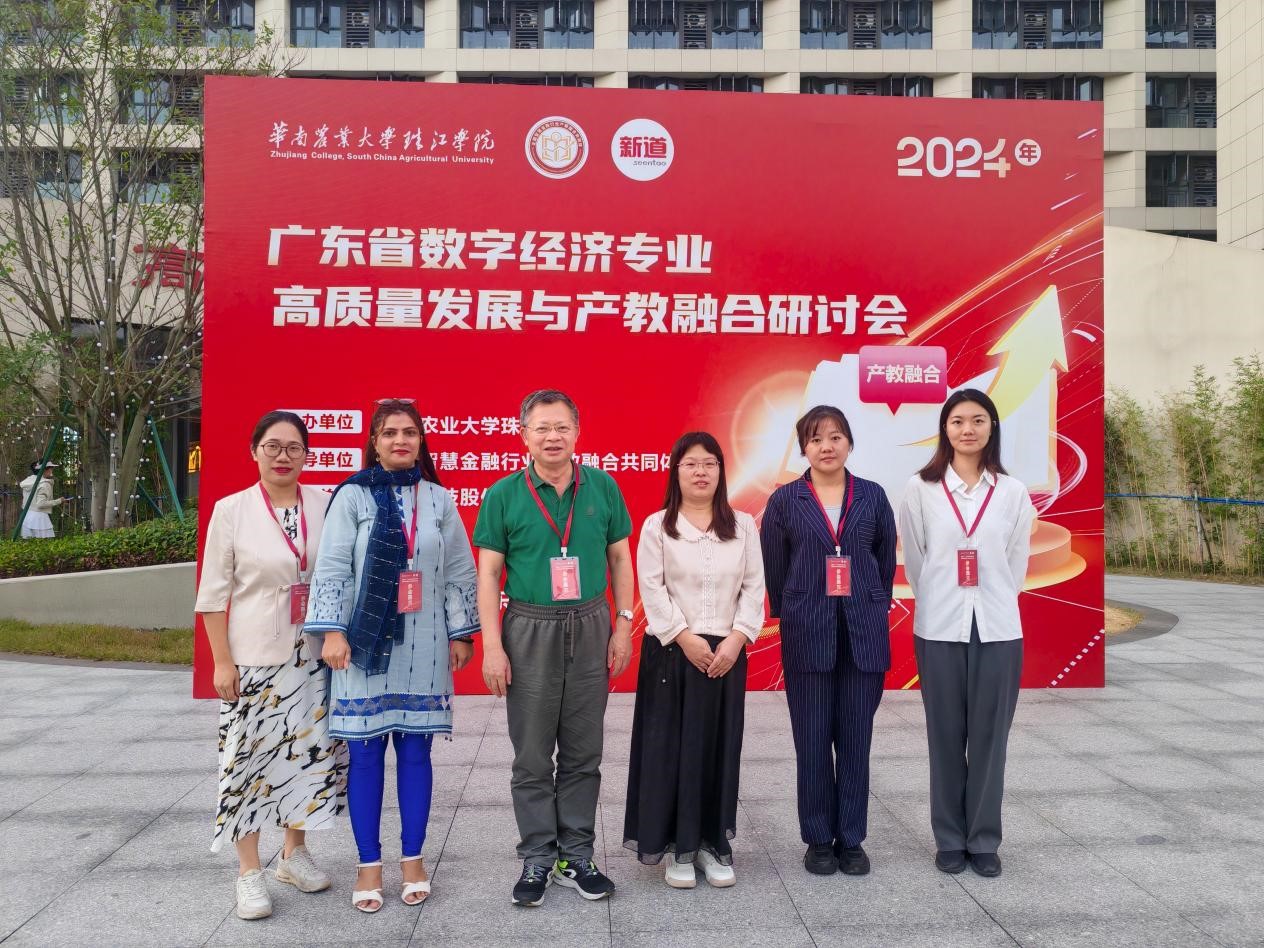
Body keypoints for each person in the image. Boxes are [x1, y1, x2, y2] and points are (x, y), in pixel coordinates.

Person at [304, 398, 479, 912]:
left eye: (409, 433)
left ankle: (413, 860)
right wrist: (333, 632)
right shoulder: (352, 496)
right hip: (361, 647)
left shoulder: (439, 499)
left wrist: (461, 634)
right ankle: (368, 864)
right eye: (390, 433)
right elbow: (333, 566)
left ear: (421, 442)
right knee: (364, 755)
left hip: (426, 644)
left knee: (417, 753)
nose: (401, 441)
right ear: (375, 443)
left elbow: (459, 570)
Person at [473, 389, 634, 907]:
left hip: (591, 623)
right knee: (532, 755)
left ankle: (577, 855)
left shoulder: (603, 487)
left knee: (585, 751)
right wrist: (492, 646)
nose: (552, 437)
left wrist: (624, 624)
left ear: (577, 432)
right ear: (524, 435)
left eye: (562, 427)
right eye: (541, 428)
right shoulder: (503, 494)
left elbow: (620, 559)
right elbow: (488, 574)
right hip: (529, 627)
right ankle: (538, 856)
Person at [195, 410, 346, 921]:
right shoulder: (232, 510)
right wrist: (222, 662)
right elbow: (212, 597)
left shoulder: (326, 504)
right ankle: (248, 872)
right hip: (255, 657)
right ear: (254, 451)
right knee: (247, 761)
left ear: (307, 455)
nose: (283, 456)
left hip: (316, 658)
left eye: (294, 448)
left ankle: (293, 854)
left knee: (309, 754)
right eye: (273, 446)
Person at [897, 388, 1036, 879]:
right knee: (944, 735)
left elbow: (1016, 562)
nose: (968, 429)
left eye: (978, 420)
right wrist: (942, 597)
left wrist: (991, 596)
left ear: (992, 427)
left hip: (998, 627)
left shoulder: (1012, 492)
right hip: (939, 626)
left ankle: (984, 839)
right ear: (945, 429)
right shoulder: (920, 488)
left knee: (990, 739)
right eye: (957, 421)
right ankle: (950, 839)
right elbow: (917, 560)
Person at [760, 405, 897, 877]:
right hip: (807, 632)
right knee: (813, 741)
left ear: (849, 443)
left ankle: (852, 839)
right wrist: (797, 609)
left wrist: (869, 604)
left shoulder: (873, 496)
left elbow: (883, 561)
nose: (826, 446)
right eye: (816, 438)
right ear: (804, 448)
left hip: (863, 634)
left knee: (856, 740)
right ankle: (819, 838)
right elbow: (775, 568)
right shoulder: (786, 500)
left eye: (836, 437)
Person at [624, 431, 765, 889]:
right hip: (672, 652)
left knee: (719, 748)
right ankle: (677, 849)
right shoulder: (657, 526)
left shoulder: (742, 526)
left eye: (709, 463)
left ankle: (710, 844)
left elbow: (754, 587)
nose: (700, 472)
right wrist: (685, 638)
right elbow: (652, 589)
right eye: (691, 464)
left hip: (726, 654)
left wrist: (736, 640)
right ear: (676, 472)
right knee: (670, 751)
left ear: (721, 471)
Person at [19, 461, 64, 538]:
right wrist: (59, 501)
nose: (52, 470)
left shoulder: (28, 481)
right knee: (43, 544)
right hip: (39, 520)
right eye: (51, 468)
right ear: (45, 470)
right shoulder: (44, 484)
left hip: (27, 517)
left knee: (28, 544)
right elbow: (41, 504)